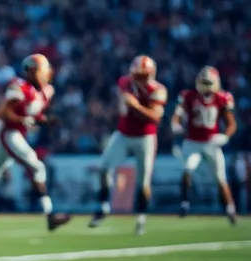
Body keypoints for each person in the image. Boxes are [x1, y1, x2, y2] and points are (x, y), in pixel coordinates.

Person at [0, 54, 71, 230]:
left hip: (16, 134)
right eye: (43, 69)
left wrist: (45, 120)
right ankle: (50, 215)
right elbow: (3, 113)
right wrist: (23, 120)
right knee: (37, 166)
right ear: (34, 72)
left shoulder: (46, 92)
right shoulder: (20, 86)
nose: (47, 72)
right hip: (7, 133)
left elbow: (33, 114)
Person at [89, 55, 168, 234]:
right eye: (136, 74)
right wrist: (134, 106)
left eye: (141, 75)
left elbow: (155, 117)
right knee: (104, 168)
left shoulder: (158, 90)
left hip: (145, 137)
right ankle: (102, 206)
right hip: (123, 134)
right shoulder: (125, 82)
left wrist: (136, 107)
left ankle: (141, 218)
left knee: (143, 181)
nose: (137, 78)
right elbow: (125, 101)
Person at [173, 66, 238, 224]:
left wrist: (225, 136)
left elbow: (231, 124)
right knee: (187, 169)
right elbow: (178, 113)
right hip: (192, 141)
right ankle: (184, 203)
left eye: (208, 82)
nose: (206, 86)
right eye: (203, 82)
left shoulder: (222, 98)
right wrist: (176, 124)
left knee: (221, 178)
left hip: (211, 142)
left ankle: (230, 209)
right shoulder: (189, 96)